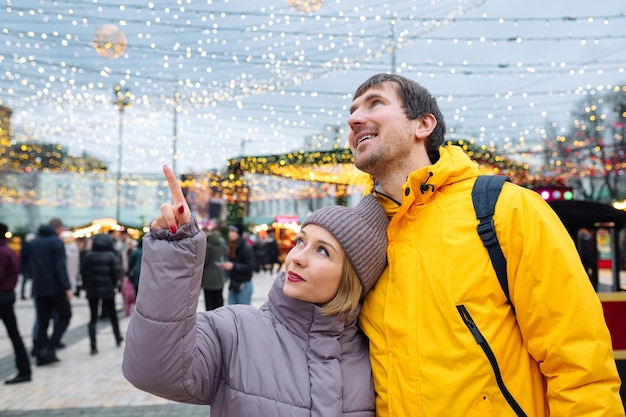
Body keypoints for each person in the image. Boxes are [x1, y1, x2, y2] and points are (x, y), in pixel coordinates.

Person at [347, 73, 624, 416]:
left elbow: (579, 360)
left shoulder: (505, 210)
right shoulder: (360, 236)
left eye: (375, 103)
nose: (354, 118)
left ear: (423, 125)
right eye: (353, 110)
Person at [122, 165, 388, 416]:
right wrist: (174, 253)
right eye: (301, 241)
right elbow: (151, 371)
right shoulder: (235, 331)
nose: (296, 257)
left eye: (322, 251)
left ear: (352, 278)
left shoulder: (375, 357)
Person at [30, 217, 73, 366]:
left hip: (39, 288)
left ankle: (41, 353)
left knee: (43, 322)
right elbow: (60, 266)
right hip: (55, 288)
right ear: (58, 229)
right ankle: (49, 347)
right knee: (66, 315)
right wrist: (67, 287)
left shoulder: (34, 243)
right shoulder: (56, 242)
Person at [81, 233, 124, 355]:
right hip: (108, 290)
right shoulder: (111, 256)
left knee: (93, 318)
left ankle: (93, 346)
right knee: (112, 315)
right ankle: (117, 337)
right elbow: (116, 273)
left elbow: (83, 272)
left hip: (92, 290)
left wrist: (86, 285)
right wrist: (114, 285)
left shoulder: (88, 256)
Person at [0, 223, 32, 384]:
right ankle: (25, 369)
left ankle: (24, 370)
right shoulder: (9, 250)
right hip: (8, 295)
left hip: (2, 296)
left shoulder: (2, 252)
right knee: (15, 334)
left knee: (14, 335)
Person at [218, 222, 256, 305]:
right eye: (229, 231)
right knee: (231, 313)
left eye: (232, 231)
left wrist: (234, 266)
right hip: (233, 284)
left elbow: (251, 266)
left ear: (238, 234)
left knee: (243, 314)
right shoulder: (231, 246)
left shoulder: (246, 248)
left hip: (244, 285)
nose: (230, 234)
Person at [201, 224, 226, 311]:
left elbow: (204, 261)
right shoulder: (221, 243)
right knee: (219, 301)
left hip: (208, 278)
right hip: (219, 275)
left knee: (210, 303)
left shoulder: (208, 245)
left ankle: (211, 322)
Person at [19, 233, 35, 300]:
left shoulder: (24, 246)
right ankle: (30, 294)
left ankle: (28, 294)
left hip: (28, 267)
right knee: (27, 282)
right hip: (28, 267)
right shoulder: (29, 246)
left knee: (27, 282)